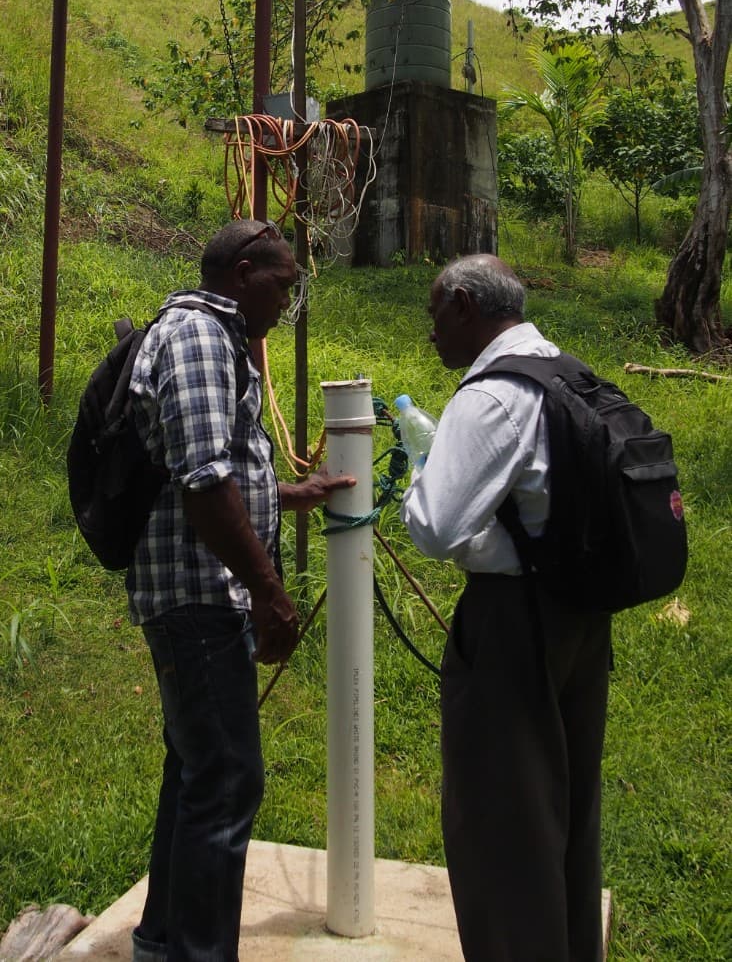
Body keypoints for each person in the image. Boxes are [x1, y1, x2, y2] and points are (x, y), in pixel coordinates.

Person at [126, 218, 355, 962]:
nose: (289, 299)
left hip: (200, 588)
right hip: (197, 593)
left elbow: (222, 470)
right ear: (246, 271)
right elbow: (202, 483)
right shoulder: (196, 336)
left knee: (198, 769)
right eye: (285, 283)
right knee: (227, 778)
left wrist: (294, 494)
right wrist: (269, 591)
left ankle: (163, 941)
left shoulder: (223, 341)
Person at [400, 254, 611, 962]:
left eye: (434, 315)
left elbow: (436, 525)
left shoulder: (490, 395)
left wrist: (422, 471)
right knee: (568, 810)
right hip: (581, 615)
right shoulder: (566, 371)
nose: (431, 334)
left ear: (463, 304)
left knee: (501, 823)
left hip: (512, 624)